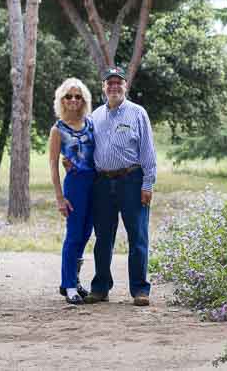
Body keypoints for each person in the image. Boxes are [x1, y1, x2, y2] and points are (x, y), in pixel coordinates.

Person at [85, 65, 157, 307]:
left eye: (119, 82)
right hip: (102, 183)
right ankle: (100, 287)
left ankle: (139, 290)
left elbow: (148, 153)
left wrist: (147, 184)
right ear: (103, 87)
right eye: (109, 83)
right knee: (103, 237)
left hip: (132, 180)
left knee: (138, 236)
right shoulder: (94, 116)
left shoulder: (138, 113)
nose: (114, 86)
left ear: (126, 86)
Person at [48, 77, 95, 305]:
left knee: (86, 234)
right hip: (74, 185)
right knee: (74, 234)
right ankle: (67, 285)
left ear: (84, 99)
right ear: (62, 100)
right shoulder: (58, 130)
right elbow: (53, 164)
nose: (73, 100)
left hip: (95, 184)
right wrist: (59, 197)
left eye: (78, 96)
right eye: (69, 96)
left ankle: (74, 279)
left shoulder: (91, 123)